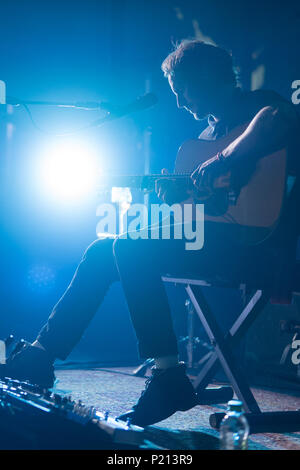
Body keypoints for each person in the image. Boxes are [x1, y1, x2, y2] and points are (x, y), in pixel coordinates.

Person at [2, 39, 299, 427]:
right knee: (100, 251)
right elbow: (216, 210)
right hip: (221, 239)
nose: (179, 103)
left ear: (207, 77)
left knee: (132, 247)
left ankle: (167, 375)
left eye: (183, 91)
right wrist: (183, 194)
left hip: (260, 247)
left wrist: (221, 159)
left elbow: (274, 119)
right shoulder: (206, 137)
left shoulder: (255, 105)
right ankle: (42, 355)